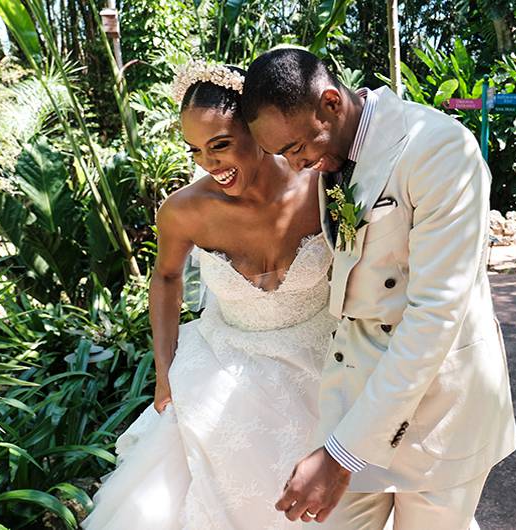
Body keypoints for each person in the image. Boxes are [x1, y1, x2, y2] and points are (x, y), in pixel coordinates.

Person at [242, 48, 516, 529]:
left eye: (295, 147)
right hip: (357, 397)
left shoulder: (439, 149)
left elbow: (435, 316)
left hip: (441, 410)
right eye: (283, 154)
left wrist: (340, 455)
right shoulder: (329, 157)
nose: (298, 163)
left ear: (330, 103)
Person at [82, 60, 336, 529]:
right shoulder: (185, 211)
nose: (209, 163)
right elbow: (165, 279)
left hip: (325, 364)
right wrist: (164, 370)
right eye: (196, 151)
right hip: (226, 363)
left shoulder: (320, 184)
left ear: (257, 130)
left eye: (220, 145)